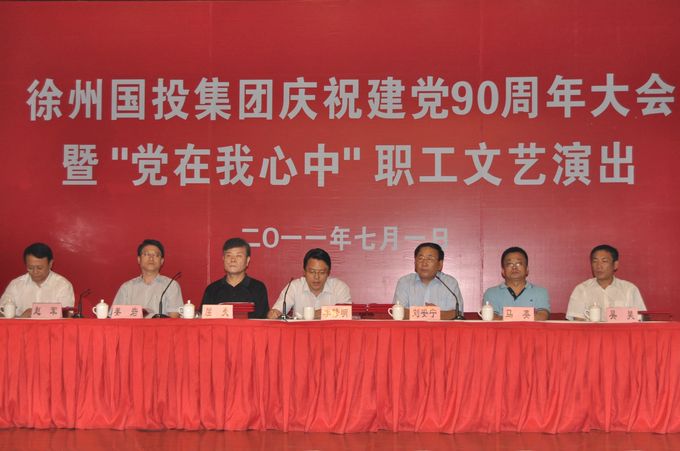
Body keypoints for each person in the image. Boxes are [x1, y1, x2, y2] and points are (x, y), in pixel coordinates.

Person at [566, 244, 646, 320]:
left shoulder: (629, 289)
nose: (599, 266)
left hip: (621, 330)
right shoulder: (581, 290)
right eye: (595, 261)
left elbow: (640, 318)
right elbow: (578, 322)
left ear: (615, 265)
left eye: (604, 261)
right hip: (591, 331)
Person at [267, 248, 351, 319]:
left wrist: (313, 314)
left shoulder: (339, 287)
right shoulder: (294, 287)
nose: (316, 277)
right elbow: (277, 311)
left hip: (331, 332)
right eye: (312, 272)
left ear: (328, 273)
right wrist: (274, 314)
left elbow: (346, 312)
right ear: (304, 272)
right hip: (301, 333)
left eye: (322, 272)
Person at [0, 242, 75, 318]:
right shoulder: (16, 285)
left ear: (50, 264)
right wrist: (21, 318)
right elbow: (1, 312)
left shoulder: (62, 285)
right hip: (21, 325)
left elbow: (67, 316)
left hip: (52, 326)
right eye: (30, 268)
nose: (35, 272)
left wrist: (36, 313)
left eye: (39, 268)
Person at [112, 239, 183, 318]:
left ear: (162, 261)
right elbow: (115, 316)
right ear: (139, 259)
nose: (151, 258)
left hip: (160, 326)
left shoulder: (171, 286)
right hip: (132, 326)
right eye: (146, 254)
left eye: (156, 255)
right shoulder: (127, 288)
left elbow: (174, 318)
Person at [393, 242, 463, 320]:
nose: (424, 263)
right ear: (415, 263)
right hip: (411, 328)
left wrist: (430, 314)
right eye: (420, 258)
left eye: (430, 259)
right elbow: (398, 313)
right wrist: (432, 313)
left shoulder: (450, 283)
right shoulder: (404, 282)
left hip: (442, 328)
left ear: (439, 264)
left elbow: (456, 313)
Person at [201, 237, 269, 319]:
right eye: (228, 255)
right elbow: (204, 321)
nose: (233, 260)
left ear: (247, 260)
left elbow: (262, 322)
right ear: (223, 259)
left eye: (238, 256)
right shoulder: (212, 290)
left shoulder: (258, 288)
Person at [483, 246, 550, 320]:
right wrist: (527, 317)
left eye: (519, 264)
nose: (514, 267)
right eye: (509, 264)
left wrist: (505, 318)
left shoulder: (540, 292)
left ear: (527, 269)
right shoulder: (491, 293)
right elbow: (491, 317)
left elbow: (542, 316)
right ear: (503, 271)